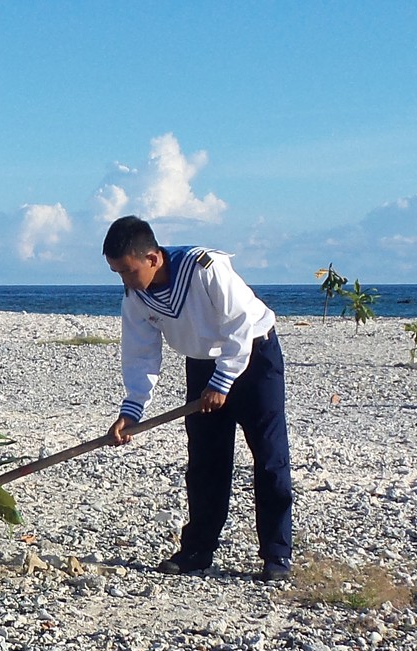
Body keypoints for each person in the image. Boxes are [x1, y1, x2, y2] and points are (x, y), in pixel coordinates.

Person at [101, 215, 292, 579]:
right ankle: (198, 551)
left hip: (255, 356)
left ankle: (276, 555)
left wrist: (223, 383)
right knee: (205, 462)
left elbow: (240, 325)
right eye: (117, 273)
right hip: (203, 363)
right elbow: (141, 355)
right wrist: (132, 410)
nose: (125, 281)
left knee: (269, 458)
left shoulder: (206, 267)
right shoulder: (136, 297)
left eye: (128, 271)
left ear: (153, 258)